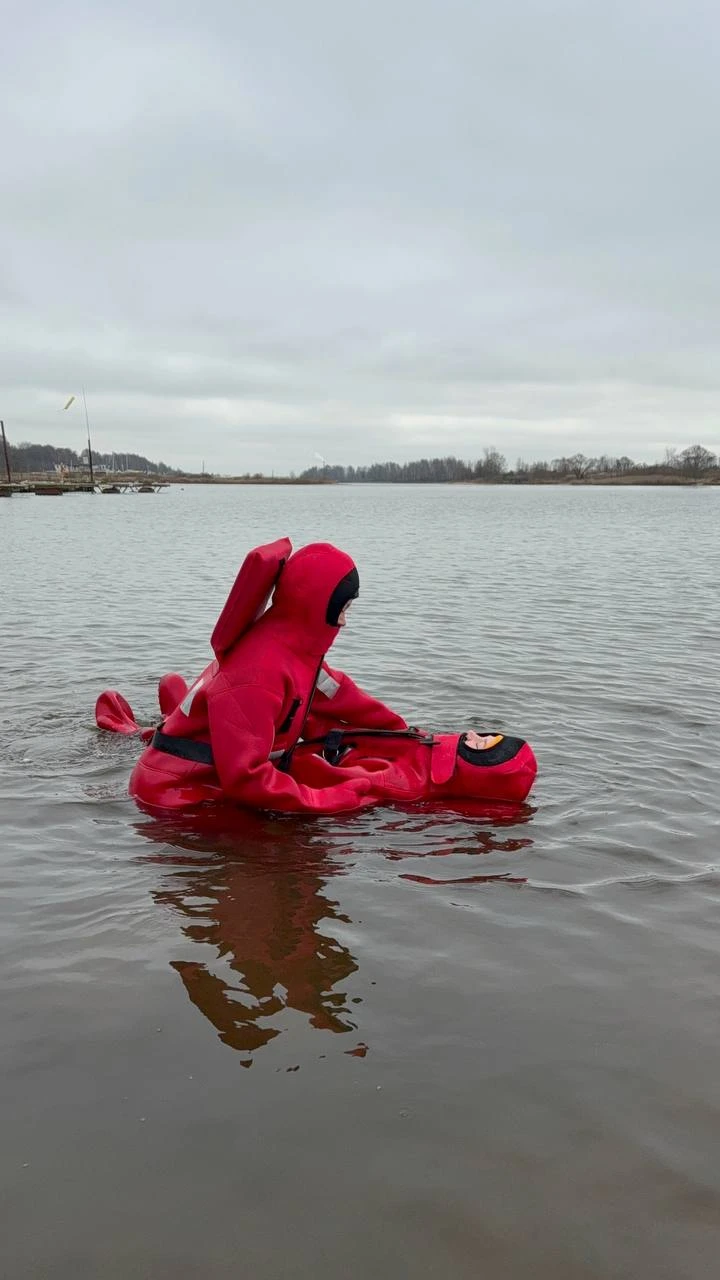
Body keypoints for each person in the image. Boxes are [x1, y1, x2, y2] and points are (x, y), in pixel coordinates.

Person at [96, 537, 537, 813]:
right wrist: (330, 800)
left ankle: (169, 720)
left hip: (217, 760)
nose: (344, 622)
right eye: (341, 610)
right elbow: (246, 779)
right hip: (176, 794)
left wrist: (401, 731)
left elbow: (338, 694)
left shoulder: (297, 649)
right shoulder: (258, 674)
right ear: (314, 607)